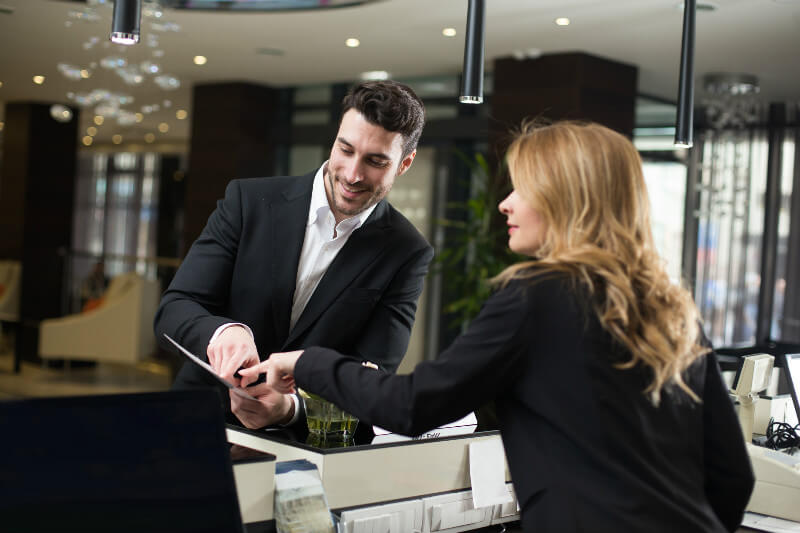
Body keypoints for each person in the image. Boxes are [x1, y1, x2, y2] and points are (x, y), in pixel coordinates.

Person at [244, 122, 755, 532]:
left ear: (567, 199)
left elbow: (412, 405)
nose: (505, 203)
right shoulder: (671, 307)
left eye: (522, 188)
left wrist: (308, 362)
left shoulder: (538, 295)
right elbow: (732, 474)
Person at [154, 80, 433, 429]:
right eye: (345, 150)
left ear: (404, 164)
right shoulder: (248, 202)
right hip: (198, 420)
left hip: (304, 450)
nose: (352, 174)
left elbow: (373, 382)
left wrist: (291, 409)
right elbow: (174, 308)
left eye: (375, 161)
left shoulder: (406, 252)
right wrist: (224, 331)